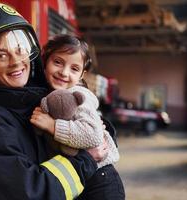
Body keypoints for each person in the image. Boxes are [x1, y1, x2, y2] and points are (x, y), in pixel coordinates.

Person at [0, 1, 108, 199]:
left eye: (20, 48)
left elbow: (97, 127)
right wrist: (85, 160)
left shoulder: (35, 97)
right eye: (1, 55)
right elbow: (29, 192)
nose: (16, 61)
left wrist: (97, 131)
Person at [30, 34, 125, 199]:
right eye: (58, 62)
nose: (64, 72)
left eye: (74, 68)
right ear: (45, 62)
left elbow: (93, 136)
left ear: (82, 74)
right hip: (79, 178)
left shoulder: (78, 94)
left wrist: (52, 125)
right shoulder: (52, 95)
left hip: (101, 181)